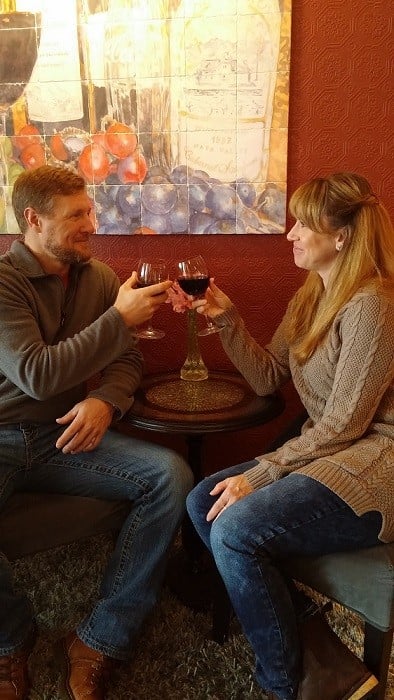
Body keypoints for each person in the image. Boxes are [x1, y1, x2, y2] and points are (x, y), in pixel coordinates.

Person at [186, 172, 394, 700]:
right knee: (200, 500)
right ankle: (317, 650)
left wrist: (265, 471)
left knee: (234, 529)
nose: (290, 234)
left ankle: (283, 682)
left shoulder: (372, 303)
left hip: (373, 463)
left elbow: (348, 422)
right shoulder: (311, 295)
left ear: (341, 235)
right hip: (329, 451)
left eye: (303, 224)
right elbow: (268, 377)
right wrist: (228, 319)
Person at [0, 165, 193, 700]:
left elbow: (127, 358)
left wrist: (106, 400)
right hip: (3, 437)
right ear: (34, 220)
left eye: (90, 210)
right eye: (77, 215)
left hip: (67, 437)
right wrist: (118, 320)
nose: (93, 223)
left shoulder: (100, 278)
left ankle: (101, 638)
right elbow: (37, 374)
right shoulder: (4, 284)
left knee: (171, 475)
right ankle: (10, 639)